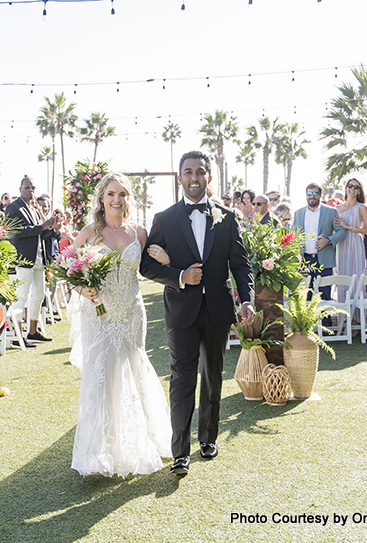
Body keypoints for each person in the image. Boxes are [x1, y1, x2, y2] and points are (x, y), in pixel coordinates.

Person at [140, 150, 255, 476]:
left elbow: (241, 264)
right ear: (180, 177)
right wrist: (179, 276)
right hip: (181, 311)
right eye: (188, 172)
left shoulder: (228, 217)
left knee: (213, 376)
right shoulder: (164, 218)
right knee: (182, 378)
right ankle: (180, 452)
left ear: (209, 176)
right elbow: (147, 265)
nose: (194, 177)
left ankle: (207, 437)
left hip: (219, 310)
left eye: (200, 172)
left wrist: (246, 300)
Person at [68, 172, 171, 478]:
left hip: (131, 312)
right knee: (100, 375)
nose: (116, 200)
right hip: (97, 314)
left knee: (134, 369)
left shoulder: (139, 232)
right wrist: (82, 290)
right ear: (101, 198)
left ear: (129, 198)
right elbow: (69, 271)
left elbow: (150, 267)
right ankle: (98, 454)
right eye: (111, 194)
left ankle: (142, 442)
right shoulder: (89, 233)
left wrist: (166, 261)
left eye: (122, 194)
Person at [5, 176, 60, 344]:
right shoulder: (13, 207)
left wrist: (51, 227)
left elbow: (40, 233)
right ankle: (17, 334)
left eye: (32, 188)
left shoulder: (34, 210)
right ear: (20, 189)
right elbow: (15, 231)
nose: (30, 190)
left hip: (38, 258)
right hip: (24, 258)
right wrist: (42, 226)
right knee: (22, 296)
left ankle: (33, 331)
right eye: (27, 187)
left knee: (39, 294)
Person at [293, 182, 346, 300]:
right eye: (309, 193)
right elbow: (293, 236)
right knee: (305, 297)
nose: (312, 196)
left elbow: (342, 232)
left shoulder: (331, 212)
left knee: (325, 295)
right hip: (304, 260)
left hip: (324, 260)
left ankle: (326, 319)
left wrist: (328, 240)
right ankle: (307, 319)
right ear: (306, 195)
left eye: (315, 193)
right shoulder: (298, 213)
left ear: (320, 195)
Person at [333, 178, 367, 300]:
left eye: (356, 187)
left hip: (355, 244)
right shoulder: (337, 208)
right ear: (346, 188)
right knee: (342, 277)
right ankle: (344, 314)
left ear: (359, 191)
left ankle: (357, 316)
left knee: (356, 277)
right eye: (350, 186)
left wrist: (348, 227)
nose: (352, 189)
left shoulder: (362, 207)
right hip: (341, 245)